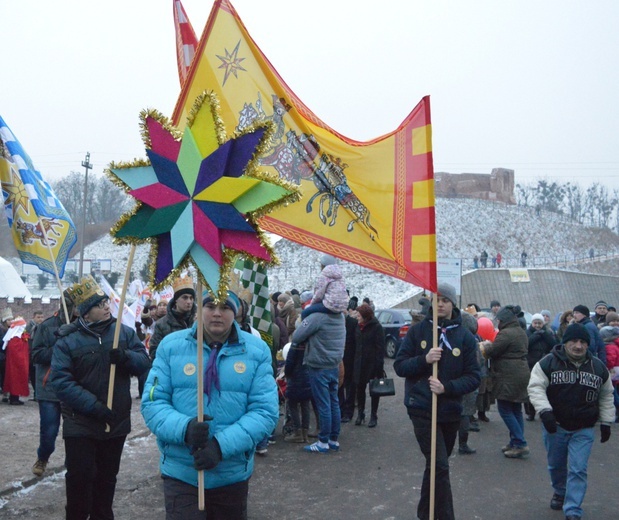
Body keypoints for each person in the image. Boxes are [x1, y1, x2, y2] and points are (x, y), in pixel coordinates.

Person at [141, 290, 278, 519]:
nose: (216, 313)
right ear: (199, 308)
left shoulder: (257, 351)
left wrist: (221, 446)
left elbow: (265, 411)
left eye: (224, 307)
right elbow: (153, 402)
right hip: (182, 472)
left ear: (235, 312)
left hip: (231, 474)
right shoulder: (170, 346)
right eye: (210, 306)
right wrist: (184, 429)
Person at [51, 275, 150, 519]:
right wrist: (93, 407)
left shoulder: (124, 333)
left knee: (106, 479)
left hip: (114, 422)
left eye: (106, 302)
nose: (106, 306)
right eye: (98, 304)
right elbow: (61, 382)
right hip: (80, 422)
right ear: (85, 313)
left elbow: (144, 362)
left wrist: (126, 357)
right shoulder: (67, 342)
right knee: (79, 477)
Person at [394, 283, 480, 520]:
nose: (440, 303)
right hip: (421, 407)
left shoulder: (465, 337)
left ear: (453, 304)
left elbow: (474, 376)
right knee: (440, 465)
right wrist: (425, 359)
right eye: (436, 299)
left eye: (445, 300)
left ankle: (425, 514)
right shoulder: (418, 331)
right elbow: (400, 366)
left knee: (435, 467)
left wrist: (447, 388)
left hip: (450, 410)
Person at [528, 323, 614, 520]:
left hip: (583, 428)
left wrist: (607, 421)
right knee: (556, 465)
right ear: (565, 343)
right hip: (555, 425)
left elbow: (606, 395)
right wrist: (545, 411)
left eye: (583, 342)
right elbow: (536, 387)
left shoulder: (598, 367)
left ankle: (573, 509)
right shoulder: (547, 363)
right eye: (574, 341)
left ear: (588, 345)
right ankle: (560, 491)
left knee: (578, 468)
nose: (578, 346)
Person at [291, 288, 346, 453]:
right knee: (334, 402)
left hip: (318, 364)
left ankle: (322, 442)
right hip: (334, 364)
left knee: (323, 404)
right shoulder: (340, 316)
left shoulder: (317, 317)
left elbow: (297, 336)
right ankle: (333, 439)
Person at [31, 292, 79, 477]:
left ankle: (72, 462)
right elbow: (36, 355)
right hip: (49, 387)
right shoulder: (46, 326)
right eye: (69, 304)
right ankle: (43, 457)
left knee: (74, 432)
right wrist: (60, 345)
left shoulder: (82, 327)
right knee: (49, 431)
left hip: (73, 387)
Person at [480, 305, 531, 458]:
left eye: (499, 319)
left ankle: (520, 443)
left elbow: (493, 351)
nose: (498, 322)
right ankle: (515, 441)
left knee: (505, 409)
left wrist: (485, 346)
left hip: (508, 374)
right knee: (515, 409)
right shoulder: (520, 331)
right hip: (520, 371)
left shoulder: (506, 334)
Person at [353, 303, 385, 428]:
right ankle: (361, 414)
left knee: (374, 390)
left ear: (365, 316)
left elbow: (380, 349)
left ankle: (373, 415)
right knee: (360, 389)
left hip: (372, 365)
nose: (357, 317)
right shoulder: (357, 327)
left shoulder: (377, 327)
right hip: (359, 363)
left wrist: (379, 368)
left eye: (359, 315)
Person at [149, 276, 196, 361]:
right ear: (176, 300)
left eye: (191, 298)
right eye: (185, 297)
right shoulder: (161, 324)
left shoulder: (199, 321)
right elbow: (154, 351)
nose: (189, 301)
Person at [524, 313, 556, 421]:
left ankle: (546, 412)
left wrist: (544, 335)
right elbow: (525, 345)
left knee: (546, 389)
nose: (537, 325)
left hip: (545, 365)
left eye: (540, 323)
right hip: (531, 364)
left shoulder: (548, 333)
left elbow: (554, 344)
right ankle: (531, 412)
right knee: (532, 389)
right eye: (535, 323)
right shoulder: (527, 333)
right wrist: (536, 336)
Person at [302, 254, 349, 319]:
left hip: (330, 305)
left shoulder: (324, 275)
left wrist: (311, 305)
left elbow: (319, 294)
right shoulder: (340, 274)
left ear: (323, 265)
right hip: (342, 306)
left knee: (305, 312)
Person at [2, 316, 31, 405]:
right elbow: (17, 353)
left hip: (18, 364)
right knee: (15, 380)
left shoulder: (17, 338)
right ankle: (14, 398)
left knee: (17, 380)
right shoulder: (15, 340)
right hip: (16, 365)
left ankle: (15, 397)